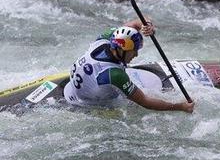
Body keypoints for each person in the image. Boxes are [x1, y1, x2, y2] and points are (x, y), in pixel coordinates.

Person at [63, 18, 194, 113]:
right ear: (122, 50)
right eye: (134, 51)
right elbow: (145, 102)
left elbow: (131, 25)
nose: (136, 55)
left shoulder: (106, 39)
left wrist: (147, 25)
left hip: (73, 90)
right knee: (135, 107)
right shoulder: (114, 74)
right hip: (93, 107)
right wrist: (180, 107)